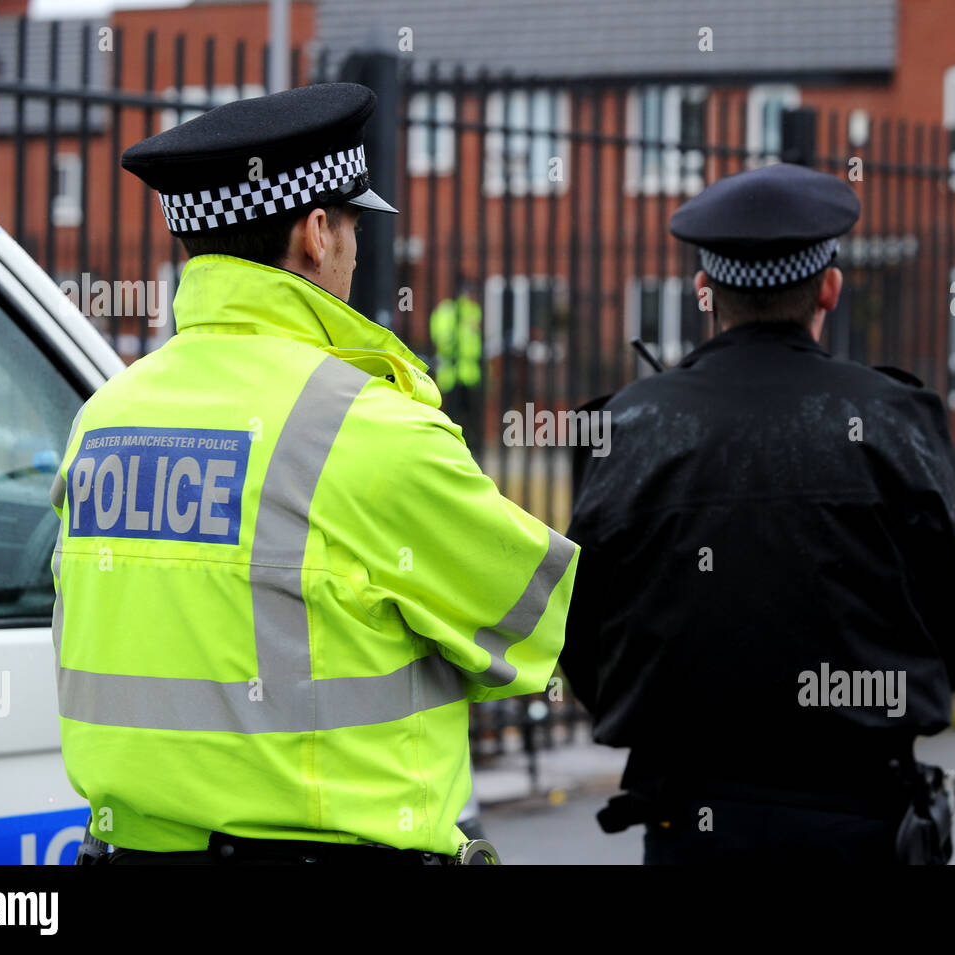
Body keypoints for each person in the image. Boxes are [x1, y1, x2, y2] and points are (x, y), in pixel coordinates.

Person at [49, 83, 578, 865]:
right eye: (357, 223)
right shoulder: (369, 428)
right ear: (317, 232)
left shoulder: (103, 417)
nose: (359, 250)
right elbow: (534, 630)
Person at [561, 162, 955, 865]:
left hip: (691, 825)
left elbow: (584, 640)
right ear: (830, 286)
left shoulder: (628, 428)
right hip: (862, 822)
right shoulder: (893, 420)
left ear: (704, 290)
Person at [429, 281, 484, 454]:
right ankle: (454, 449)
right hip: (452, 373)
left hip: (470, 372)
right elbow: (440, 337)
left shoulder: (474, 311)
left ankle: (471, 449)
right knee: (453, 416)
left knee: (472, 417)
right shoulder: (446, 311)